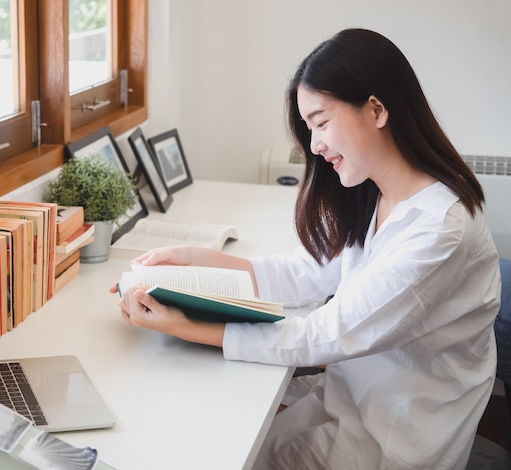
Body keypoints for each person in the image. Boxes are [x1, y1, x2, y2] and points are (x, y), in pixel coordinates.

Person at [112, 28, 501, 469]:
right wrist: (204, 261)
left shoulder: (439, 231)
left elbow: (328, 333)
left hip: (394, 435)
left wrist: (185, 327)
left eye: (321, 122)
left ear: (376, 109)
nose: (315, 145)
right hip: (351, 397)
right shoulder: (376, 190)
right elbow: (309, 273)